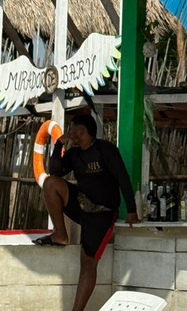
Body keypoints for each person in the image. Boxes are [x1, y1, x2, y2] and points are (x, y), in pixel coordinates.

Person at [35, 114, 139, 311]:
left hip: (103, 212)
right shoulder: (74, 154)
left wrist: (131, 210)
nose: (70, 132)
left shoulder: (105, 150)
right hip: (82, 205)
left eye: (72, 129)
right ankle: (60, 234)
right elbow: (54, 170)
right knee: (50, 183)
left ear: (81, 131)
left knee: (88, 262)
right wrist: (59, 143)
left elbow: (123, 178)